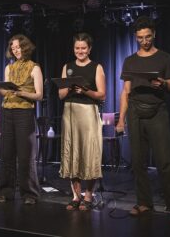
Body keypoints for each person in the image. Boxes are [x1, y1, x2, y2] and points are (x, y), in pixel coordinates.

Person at [116, 16, 170, 225]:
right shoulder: (130, 60)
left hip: (157, 110)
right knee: (137, 161)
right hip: (135, 111)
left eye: (147, 37)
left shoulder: (165, 58)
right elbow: (125, 92)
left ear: (154, 34)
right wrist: (121, 120)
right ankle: (144, 202)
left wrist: (163, 83)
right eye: (140, 38)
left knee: (165, 161)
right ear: (136, 38)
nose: (144, 41)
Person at [0, 34, 43, 205]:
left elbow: (39, 95)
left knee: (25, 155)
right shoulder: (9, 68)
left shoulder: (34, 68)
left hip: (24, 113)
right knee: (6, 154)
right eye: (13, 48)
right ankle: (6, 192)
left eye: (18, 47)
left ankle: (30, 194)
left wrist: (22, 93)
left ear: (25, 47)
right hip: (7, 111)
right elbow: (7, 93)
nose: (15, 50)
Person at [58, 32, 106, 211]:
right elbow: (61, 94)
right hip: (70, 111)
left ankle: (88, 195)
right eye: (77, 48)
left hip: (88, 111)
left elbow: (102, 95)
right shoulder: (67, 66)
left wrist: (85, 90)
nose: (80, 51)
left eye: (83, 48)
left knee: (88, 151)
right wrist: (69, 87)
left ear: (89, 49)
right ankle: (76, 196)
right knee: (72, 153)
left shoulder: (96, 67)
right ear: (73, 48)